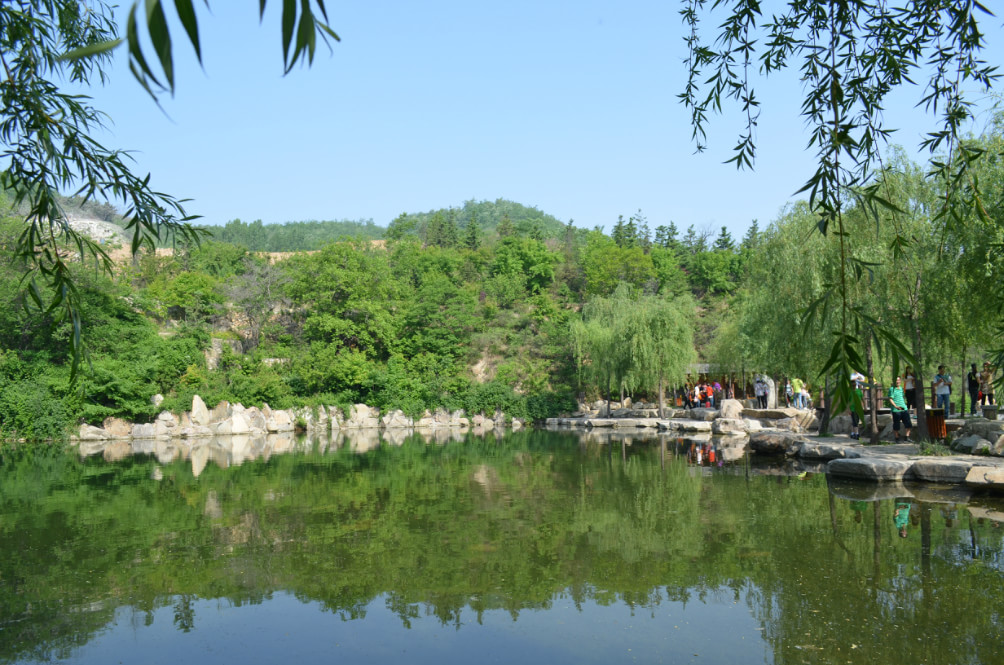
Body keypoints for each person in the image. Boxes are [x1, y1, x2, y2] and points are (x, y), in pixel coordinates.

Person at [884, 375, 912, 441]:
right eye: (896, 380)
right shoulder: (892, 389)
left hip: (903, 408)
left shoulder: (901, 389)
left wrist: (905, 406)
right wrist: (895, 406)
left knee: (908, 423)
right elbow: (890, 399)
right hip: (896, 409)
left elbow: (902, 397)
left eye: (899, 380)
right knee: (896, 424)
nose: (898, 381)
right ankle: (897, 438)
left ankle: (907, 437)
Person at [849, 370, 865, 439]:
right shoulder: (850, 392)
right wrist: (848, 409)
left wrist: (864, 406)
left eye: (854, 384)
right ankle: (856, 434)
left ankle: (853, 433)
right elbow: (848, 401)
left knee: (856, 421)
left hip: (858, 408)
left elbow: (862, 399)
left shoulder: (859, 391)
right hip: (852, 408)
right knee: (855, 421)